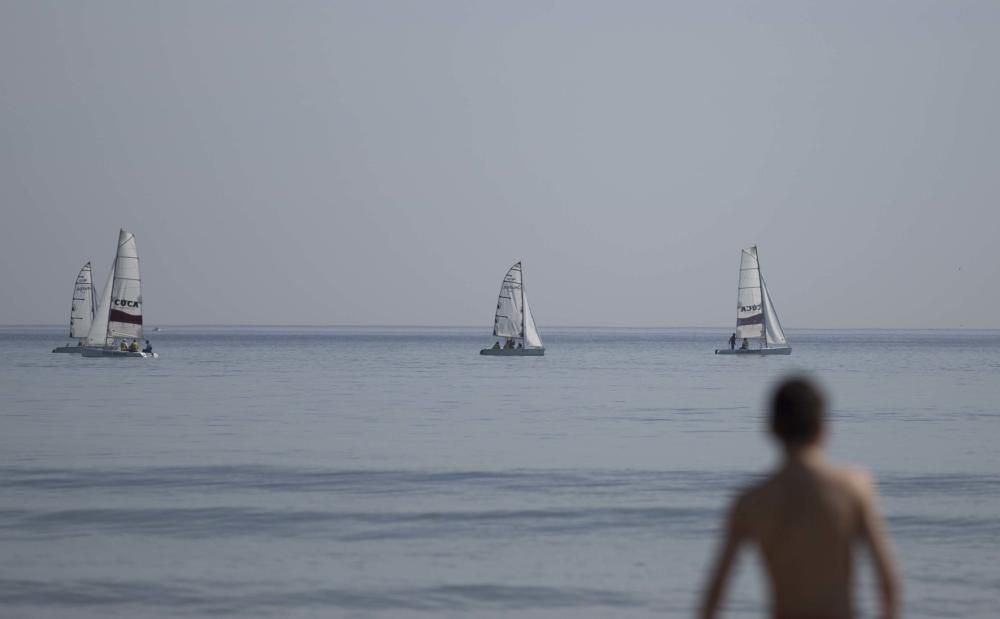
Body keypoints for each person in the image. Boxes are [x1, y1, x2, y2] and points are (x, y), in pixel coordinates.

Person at [697, 376, 899, 619]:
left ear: (771, 428)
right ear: (824, 427)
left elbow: (715, 593)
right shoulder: (853, 488)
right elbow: (888, 583)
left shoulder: (751, 502)